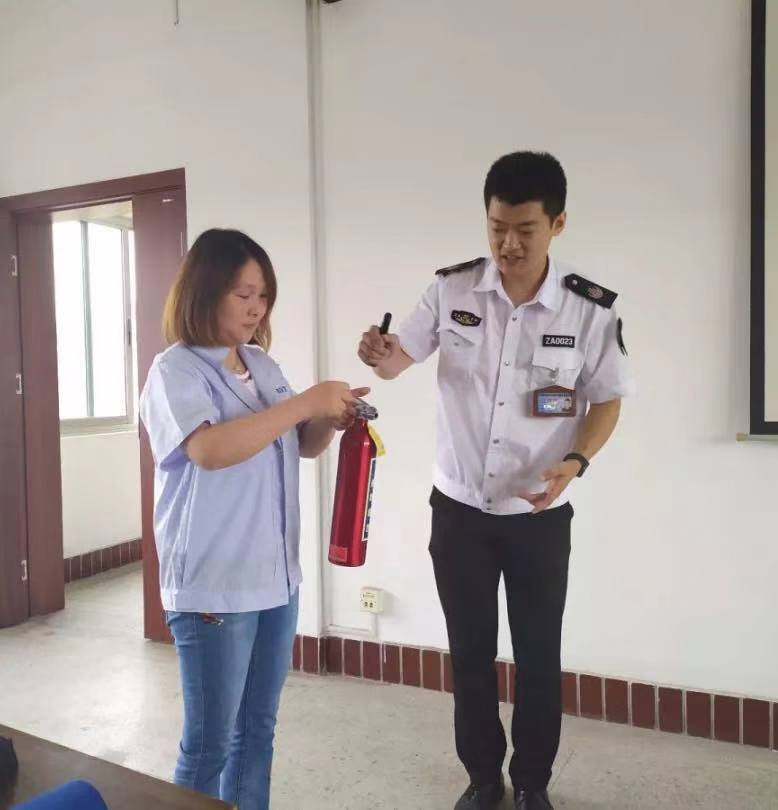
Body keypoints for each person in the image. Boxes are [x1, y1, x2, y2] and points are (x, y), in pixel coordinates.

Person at [358, 152, 634, 810]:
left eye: (524, 230)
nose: (508, 245)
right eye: (497, 228)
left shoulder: (588, 311)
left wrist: (577, 461)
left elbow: (607, 400)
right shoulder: (451, 291)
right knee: (470, 654)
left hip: (539, 514)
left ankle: (532, 782)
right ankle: (483, 777)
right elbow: (399, 360)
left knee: (538, 657)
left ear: (557, 224)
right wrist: (380, 355)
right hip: (459, 511)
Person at [140, 228, 366, 810]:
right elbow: (209, 449)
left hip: (276, 578)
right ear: (203, 291)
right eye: (243, 294)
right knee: (209, 744)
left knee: (257, 730)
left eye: (263, 295)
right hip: (215, 583)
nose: (256, 308)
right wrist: (305, 402)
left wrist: (328, 419)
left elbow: (300, 444)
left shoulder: (261, 364)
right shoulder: (175, 370)